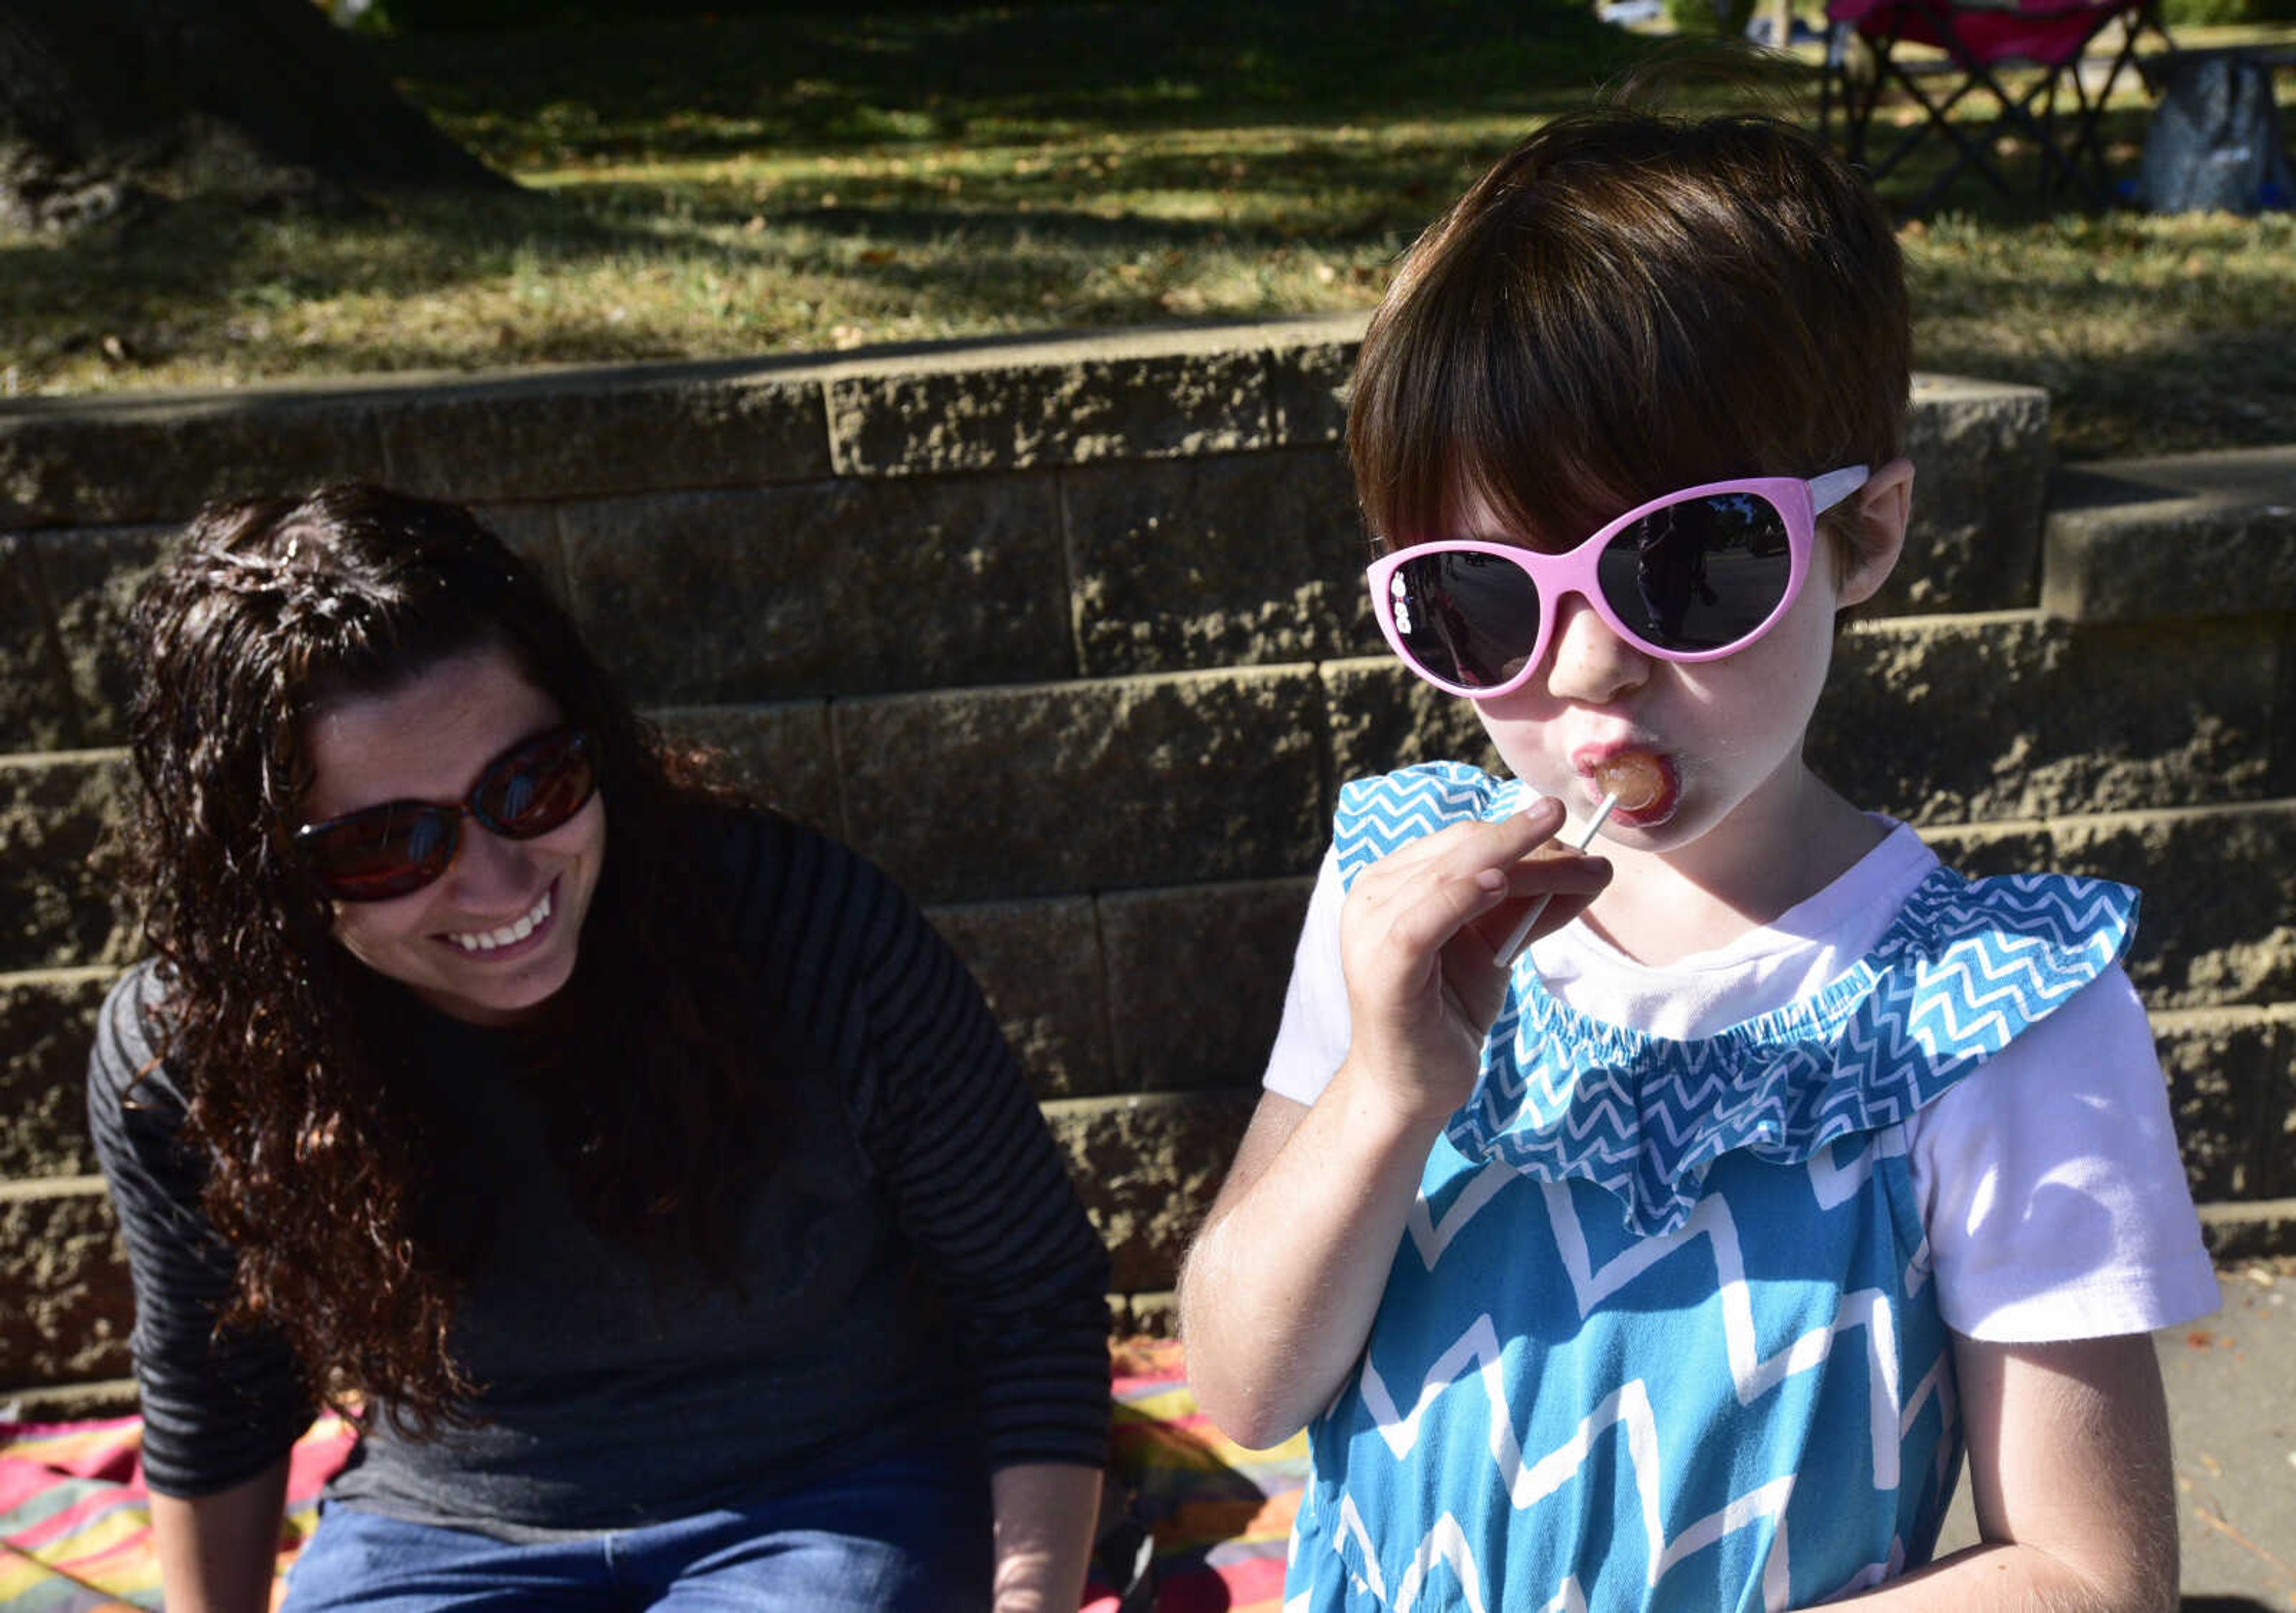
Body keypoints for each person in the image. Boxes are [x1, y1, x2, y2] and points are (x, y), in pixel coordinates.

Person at [1177, 106, 2219, 1612]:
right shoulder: (1395, 893)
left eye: (1688, 562)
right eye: (1483, 601)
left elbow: (2090, 1569)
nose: (1592, 667)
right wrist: (1388, 1094)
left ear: (1863, 534)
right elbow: (1245, 1383)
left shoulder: (1998, 1019)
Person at [87, 484, 1111, 1612]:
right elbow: (219, 1393)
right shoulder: (193, 1056)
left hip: (832, 1492)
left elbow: (1032, 1305)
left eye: (530, 784)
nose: (498, 880)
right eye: (389, 847)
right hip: (442, 1529)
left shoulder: (805, 930)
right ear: (267, 881)